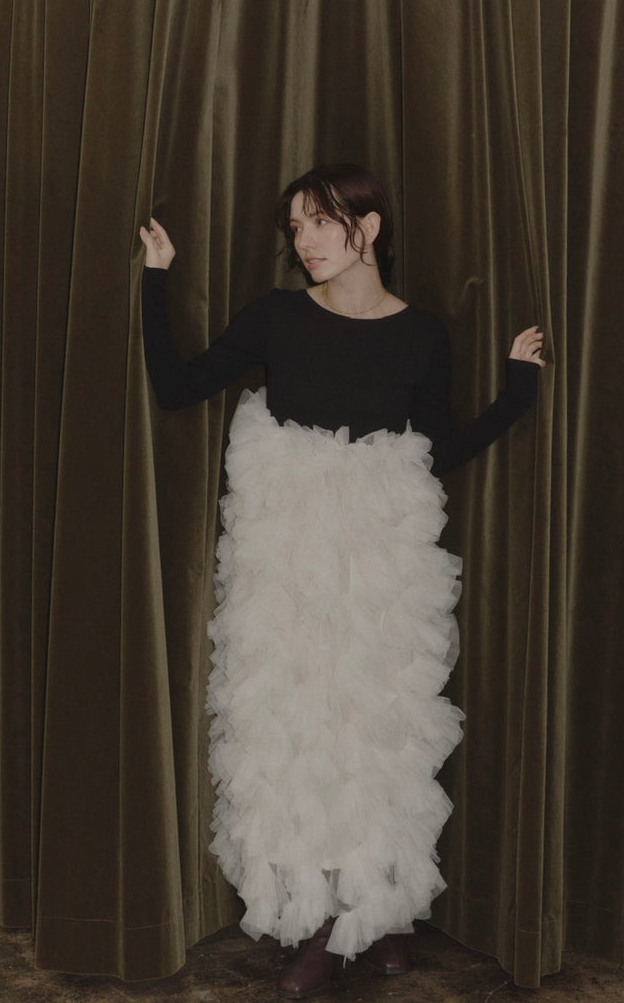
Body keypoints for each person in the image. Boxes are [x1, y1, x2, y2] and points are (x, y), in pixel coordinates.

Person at [139, 163, 545, 999]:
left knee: (375, 733)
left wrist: (515, 395)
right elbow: (176, 389)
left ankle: (372, 913)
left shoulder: (421, 333)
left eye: (321, 221)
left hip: (382, 564)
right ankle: (335, 920)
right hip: (289, 561)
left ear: (370, 226)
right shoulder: (276, 317)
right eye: (296, 227)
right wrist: (155, 279)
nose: (306, 240)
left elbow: (436, 450)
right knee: (302, 732)